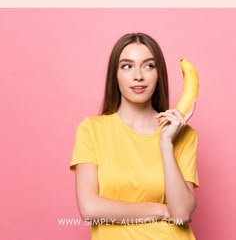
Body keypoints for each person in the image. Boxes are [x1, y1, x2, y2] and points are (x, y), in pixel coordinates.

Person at [70, 32, 199, 240]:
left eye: (148, 66)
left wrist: (166, 143)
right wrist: (161, 210)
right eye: (127, 66)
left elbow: (182, 212)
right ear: (116, 74)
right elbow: (89, 208)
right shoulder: (91, 130)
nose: (138, 75)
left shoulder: (184, 135)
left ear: (159, 75)